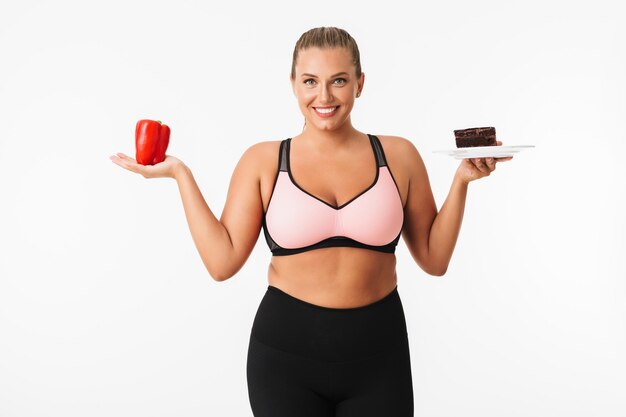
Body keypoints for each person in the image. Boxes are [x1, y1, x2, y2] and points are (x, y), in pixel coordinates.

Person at [110, 26, 512, 417]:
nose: (324, 96)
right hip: (284, 360)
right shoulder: (263, 161)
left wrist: (462, 181)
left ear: (360, 83)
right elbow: (222, 262)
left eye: (338, 80)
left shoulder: (399, 155)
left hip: (379, 356)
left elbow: (434, 260)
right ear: (293, 84)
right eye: (310, 81)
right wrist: (181, 174)